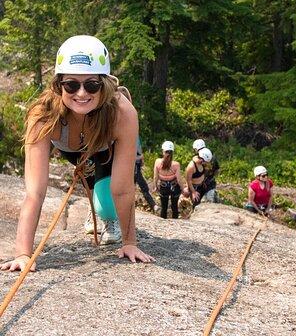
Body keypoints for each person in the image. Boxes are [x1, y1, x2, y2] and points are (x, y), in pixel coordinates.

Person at [0, 35, 153, 272]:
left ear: (105, 83)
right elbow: (35, 191)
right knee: (98, 193)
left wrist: (130, 242)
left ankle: (107, 218)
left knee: (107, 204)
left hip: (105, 149)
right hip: (74, 151)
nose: (81, 93)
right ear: (58, 84)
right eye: (71, 85)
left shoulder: (122, 113)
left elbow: (123, 188)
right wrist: (23, 253)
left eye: (91, 84)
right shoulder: (43, 116)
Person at [118, 86, 156, 212]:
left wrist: (139, 156)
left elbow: (135, 138)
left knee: (135, 181)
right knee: (135, 181)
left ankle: (130, 207)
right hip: (130, 157)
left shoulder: (129, 115)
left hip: (133, 158)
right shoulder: (128, 114)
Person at [153, 141, 185, 219]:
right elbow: (179, 179)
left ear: (163, 151)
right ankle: (175, 223)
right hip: (174, 186)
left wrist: (155, 186)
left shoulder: (157, 162)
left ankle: (163, 224)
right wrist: (182, 188)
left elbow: (155, 177)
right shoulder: (176, 164)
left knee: (164, 208)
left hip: (163, 186)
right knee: (174, 208)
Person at [192, 139, 220, 203]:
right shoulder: (212, 157)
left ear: (196, 149)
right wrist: (211, 176)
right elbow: (217, 170)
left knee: (197, 203)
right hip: (210, 183)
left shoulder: (197, 158)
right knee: (209, 203)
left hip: (199, 185)